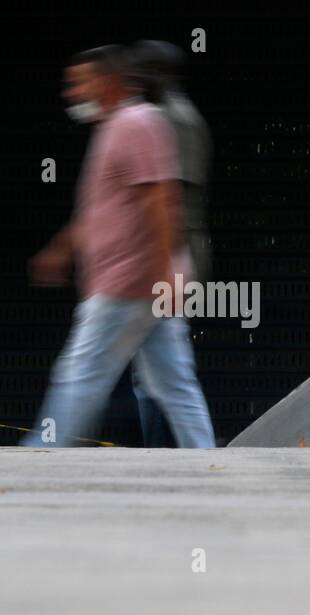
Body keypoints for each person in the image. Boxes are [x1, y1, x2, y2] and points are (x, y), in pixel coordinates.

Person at [25, 45, 215, 449]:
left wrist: (166, 271)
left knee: (81, 370)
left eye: (81, 82)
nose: (72, 93)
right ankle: (205, 457)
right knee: (173, 381)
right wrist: (63, 249)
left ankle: (45, 451)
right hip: (141, 279)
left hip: (129, 280)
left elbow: (162, 200)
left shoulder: (135, 124)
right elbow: (102, 208)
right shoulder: (117, 126)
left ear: (107, 82)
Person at [127, 39, 213, 448]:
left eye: (141, 70)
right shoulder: (161, 116)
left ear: (159, 73)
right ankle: (177, 456)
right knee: (157, 372)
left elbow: (173, 203)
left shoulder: (174, 120)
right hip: (161, 258)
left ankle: (170, 457)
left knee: (161, 374)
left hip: (168, 257)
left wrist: (161, 268)